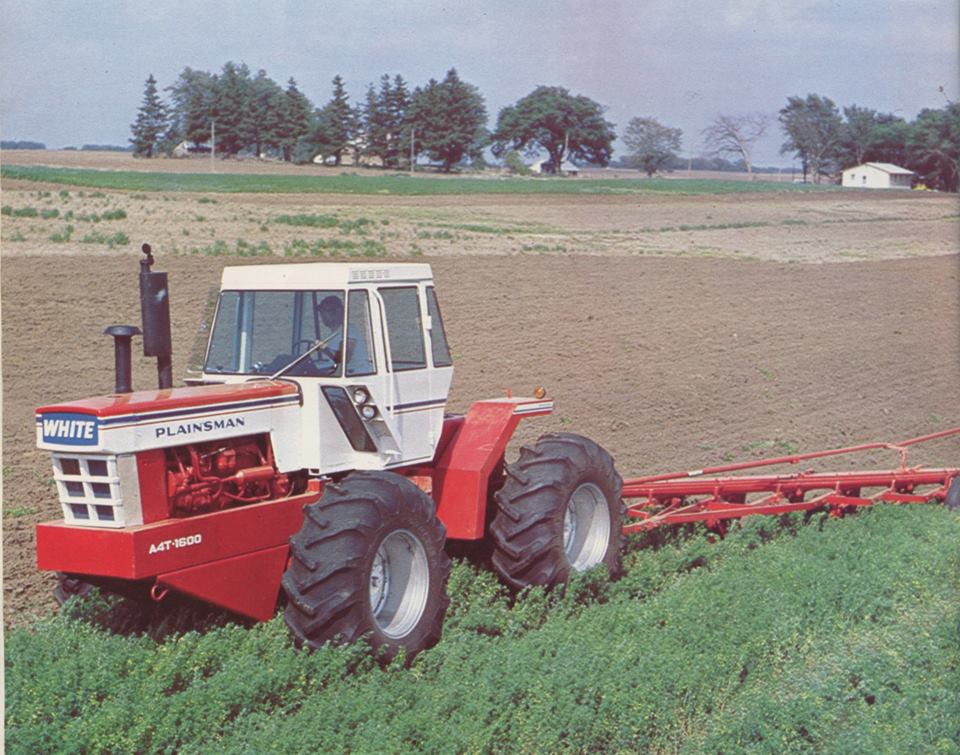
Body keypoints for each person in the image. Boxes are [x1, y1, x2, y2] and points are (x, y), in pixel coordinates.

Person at [316, 295, 372, 375]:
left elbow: (345, 357)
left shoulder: (349, 331)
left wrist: (325, 349)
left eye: (326, 311)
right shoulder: (335, 333)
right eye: (321, 312)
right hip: (345, 374)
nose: (322, 315)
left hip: (356, 376)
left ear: (338, 312)